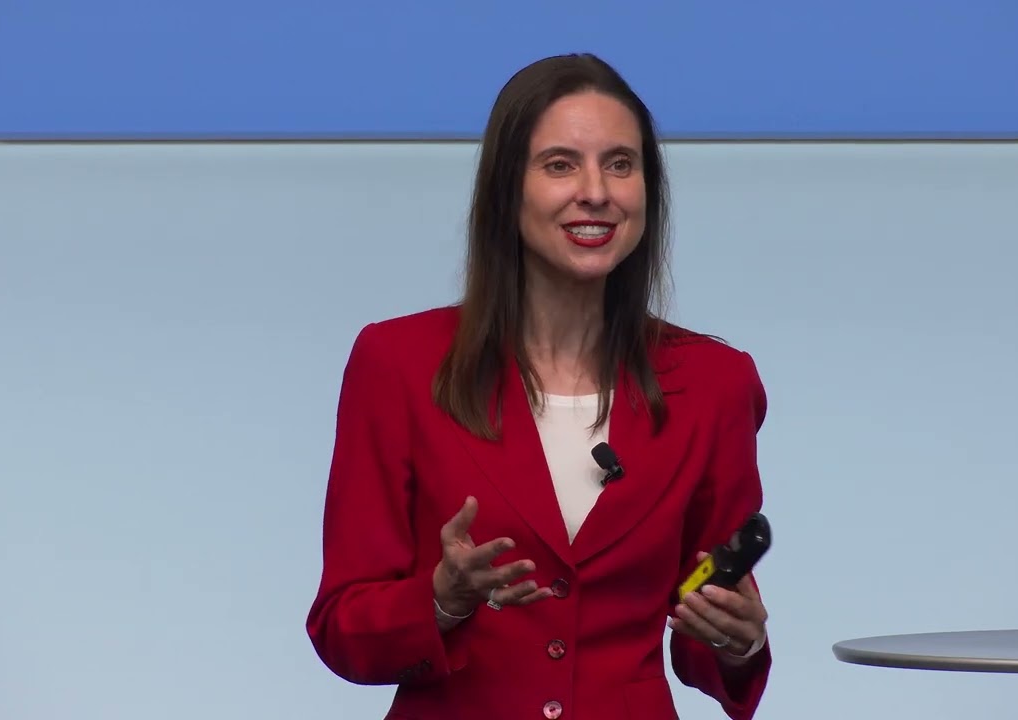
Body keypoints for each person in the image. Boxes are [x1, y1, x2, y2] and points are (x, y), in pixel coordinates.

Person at [306, 52, 771, 720]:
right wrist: (441, 599)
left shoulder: (715, 383)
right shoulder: (398, 364)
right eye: (560, 165)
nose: (597, 191)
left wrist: (737, 641)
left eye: (620, 164)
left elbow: (703, 624)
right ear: (507, 190)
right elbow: (342, 625)